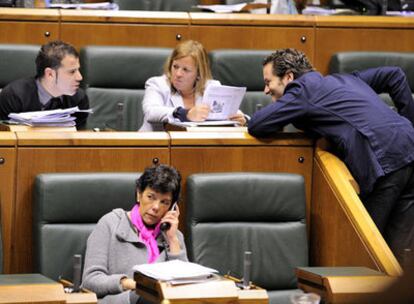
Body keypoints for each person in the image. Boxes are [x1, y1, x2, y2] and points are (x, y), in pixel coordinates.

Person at [248, 48, 414, 262]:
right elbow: (395, 75)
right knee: (400, 252)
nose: (265, 90)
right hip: (409, 149)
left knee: (366, 252)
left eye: (268, 82)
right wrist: (409, 124)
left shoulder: (303, 90)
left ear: (289, 77)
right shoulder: (345, 80)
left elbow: (257, 124)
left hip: (385, 161)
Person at [81, 165, 187, 304]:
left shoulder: (173, 234)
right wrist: (129, 284)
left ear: (172, 207)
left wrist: (172, 240)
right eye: (151, 197)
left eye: (164, 202)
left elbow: (185, 288)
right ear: (139, 194)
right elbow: (90, 280)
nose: (156, 207)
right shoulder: (110, 223)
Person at [139, 40, 246, 131]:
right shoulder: (157, 84)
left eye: (186, 70)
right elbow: (151, 112)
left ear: (199, 74)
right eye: (175, 66)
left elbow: (231, 112)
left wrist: (241, 119)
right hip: (156, 147)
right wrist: (185, 114)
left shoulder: (212, 87)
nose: (178, 74)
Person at [0, 40, 89, 129]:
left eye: (78, 70)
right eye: (72, 71)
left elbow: (79, 138)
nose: (79, 77)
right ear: (50, 74)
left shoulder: (79, 98)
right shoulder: (13, 96)